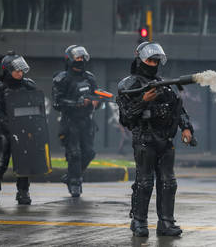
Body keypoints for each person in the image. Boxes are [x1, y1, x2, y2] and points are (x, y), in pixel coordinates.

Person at [116, 42, 194, 237]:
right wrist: (144, 101)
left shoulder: (164, 85)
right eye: (150, 60)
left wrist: (186, 128)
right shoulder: (129, 85)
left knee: (169, 182)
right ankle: (139, 221)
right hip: (144, 138)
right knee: (144, 182)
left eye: (156, 61)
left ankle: (166, 222)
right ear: (140, 60)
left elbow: (178, 109)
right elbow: (125, 117)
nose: (153, 64)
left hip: (165, 140)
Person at [0, 51, 36, 205]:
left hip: (23, 129)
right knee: (1, 163)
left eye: (21, 70)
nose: (20, 73)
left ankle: (23, 191)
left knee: (24, 163)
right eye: (17, 70)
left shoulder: (29, 86)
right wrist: (10, 126)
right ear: (7, 70)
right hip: (4, 131)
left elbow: (36, 107)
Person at [52, 45, 99, 197]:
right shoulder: (62, 79)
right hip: (69, 121)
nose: (80, 60)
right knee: (74, 153)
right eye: (77, 57)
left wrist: (96, 102)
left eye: (82, 57)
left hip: (87, 121)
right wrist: (76, 103)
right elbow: (57, 103)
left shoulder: (89, 78)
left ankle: (71, 176)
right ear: (70, 59)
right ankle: (75, 183)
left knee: (89, 153)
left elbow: (96, 96)